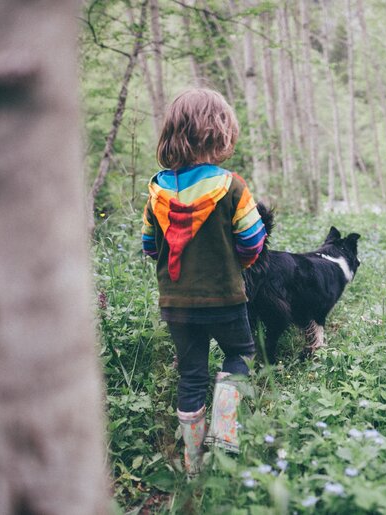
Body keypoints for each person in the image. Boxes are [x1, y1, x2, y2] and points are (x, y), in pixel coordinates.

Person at [141, 88, 266, 477]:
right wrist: (237, 263)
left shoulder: (157, 192)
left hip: (177, 303)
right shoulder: (232, 187)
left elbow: (149, 247)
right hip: (226, 298)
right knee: (241, 355)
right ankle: (223, 435)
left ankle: (194, 462)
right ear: (219, 132)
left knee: (190, 374)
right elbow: (252, 241)